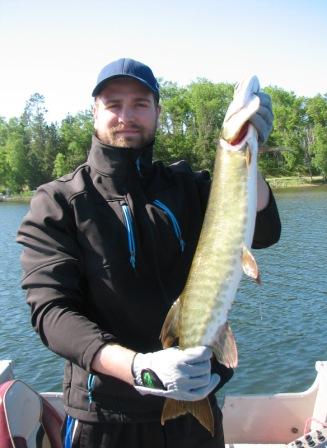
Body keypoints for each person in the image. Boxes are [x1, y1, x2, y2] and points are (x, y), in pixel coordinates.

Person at [17, 58, 281, 448]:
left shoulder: (187, 186)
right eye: (114, 104)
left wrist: (249, 153)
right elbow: (51, 313)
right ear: (95, 112)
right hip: (104, 419)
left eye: (140, 103)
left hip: (195, 401)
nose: (127, 115)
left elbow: (265, 232)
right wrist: (139, 368)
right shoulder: (57, 202)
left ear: (157, 112)